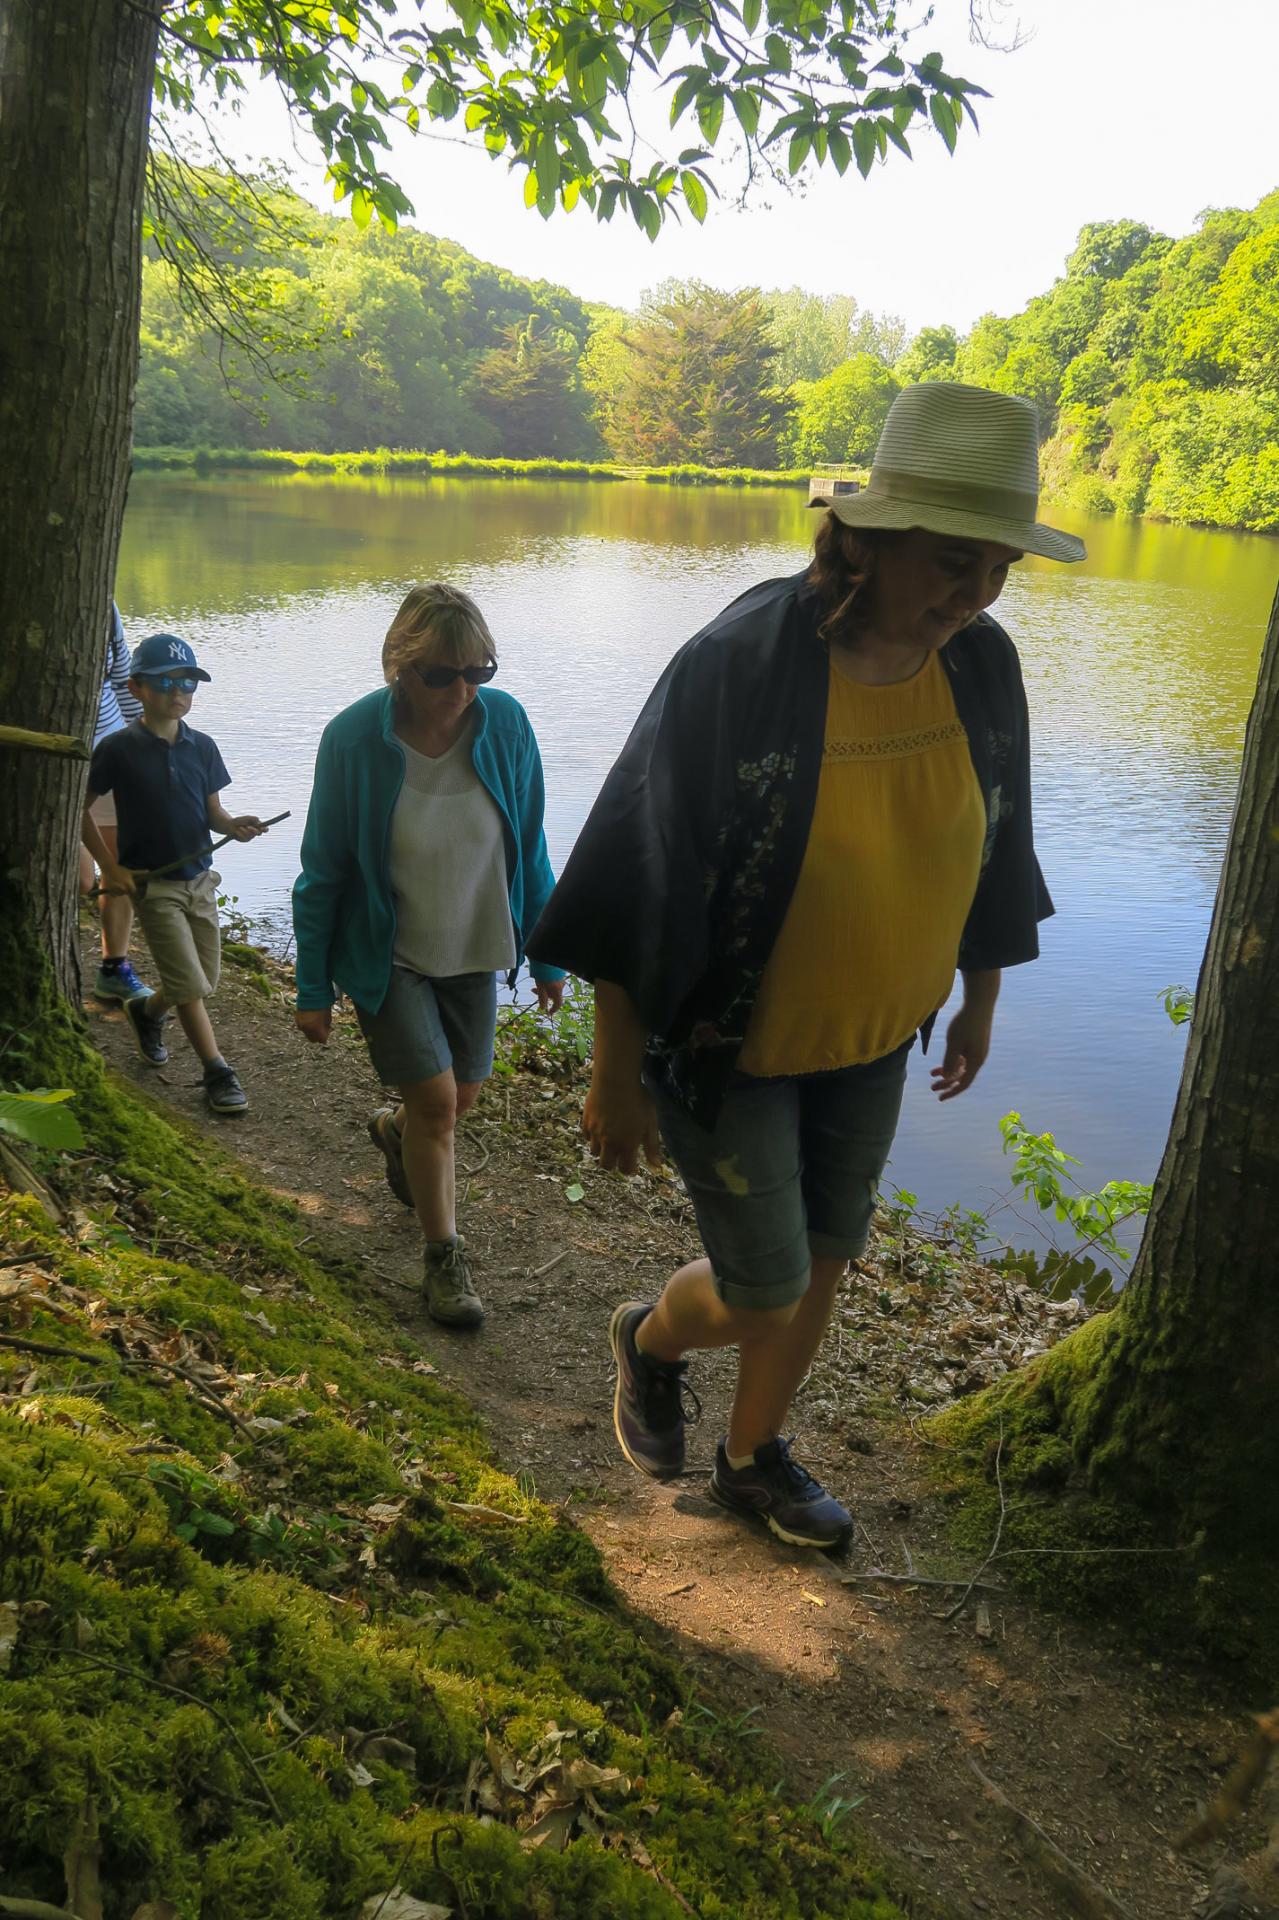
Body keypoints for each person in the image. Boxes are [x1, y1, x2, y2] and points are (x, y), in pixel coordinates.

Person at [528, 382, 1085, 1552]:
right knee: (764, 1283)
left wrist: (979, 998)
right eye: (948, 563)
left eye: (996, 569)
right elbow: (637, 867)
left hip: (879, 1032)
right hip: (731, 1043)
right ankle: (648, 1340)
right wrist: (612, 1073)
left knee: (830, 1250)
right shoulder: (740, 663)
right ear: (868, 541)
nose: (972, 596)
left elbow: (997, 835)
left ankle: (750, 1460)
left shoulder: (981, 664)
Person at [291, 583, 565, 1329]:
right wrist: (311, 985)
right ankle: (443, 1259)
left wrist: (548, 957)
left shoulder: (504, 726)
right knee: (440, 1105)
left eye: (479, 671)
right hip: (391, 956)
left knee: (455, 1100)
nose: (462, 690)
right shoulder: (353, 740)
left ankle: (394, 1129)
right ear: (400, 669)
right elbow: (323, 871)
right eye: (443, 674)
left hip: (476, 946)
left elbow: (531, 846)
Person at [81, 633, 268, 1115]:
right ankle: (217, 1071)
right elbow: (76, 811)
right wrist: (110, 865)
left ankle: (146, 1011)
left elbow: (214, 815)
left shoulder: (202, 747)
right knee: (190, 986)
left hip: (200, 882)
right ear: (137, 687)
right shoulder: (119, 749)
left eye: (188, 681)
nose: (178, 691)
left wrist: (235, 826)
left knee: (204, 979)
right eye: (166, 681)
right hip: (154, 886)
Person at [79, 603, 151, 1003]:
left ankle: (114, 967)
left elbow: (124, 681)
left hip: (107, 752)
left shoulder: (103, 606)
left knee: (120, 862)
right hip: (49, 762)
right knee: (81, 879)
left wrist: (139, 741)